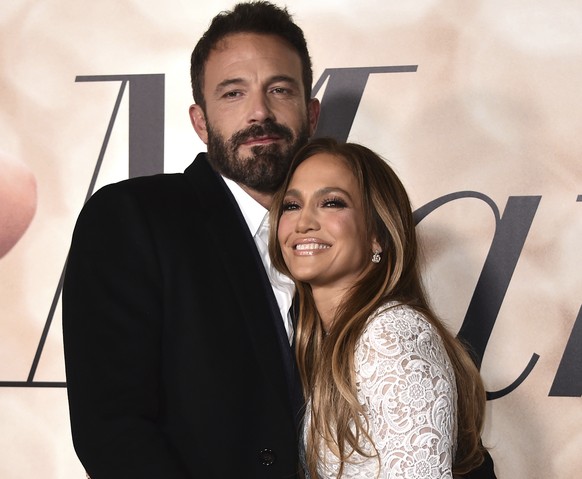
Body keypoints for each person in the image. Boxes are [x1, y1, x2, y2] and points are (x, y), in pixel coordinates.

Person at [62, 2, 319, 478]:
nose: (259, 111)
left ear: (312, 113)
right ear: (200, 122)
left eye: (279, 90)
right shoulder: (131, 219)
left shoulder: (346, 234)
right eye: (233, 94)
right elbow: (113, 430)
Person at [269, 137, 488, 478]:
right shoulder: (328, 340)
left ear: (377, 235)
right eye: (292, 206)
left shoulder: (391, 334)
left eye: (331, 203)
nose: (303, 223)